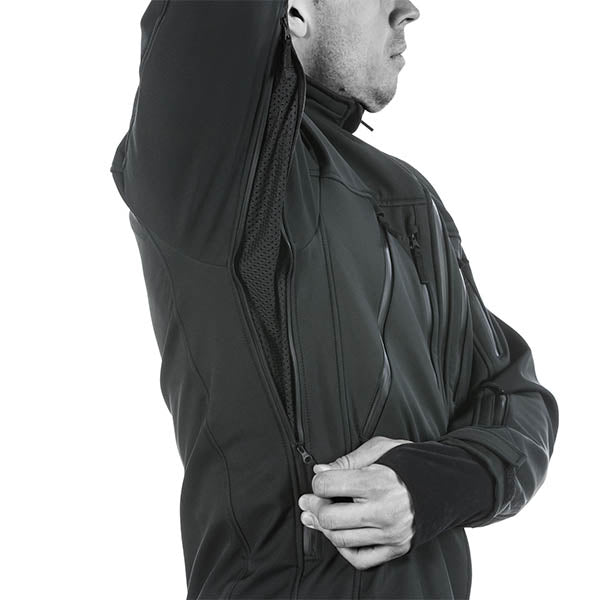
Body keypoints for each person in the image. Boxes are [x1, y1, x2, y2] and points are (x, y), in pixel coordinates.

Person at [110, 1, 559, 598]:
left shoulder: (406, 197)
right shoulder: (211, 162)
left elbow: (513, 399)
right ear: (294, 11)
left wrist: (431, 486)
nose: (408, 10)